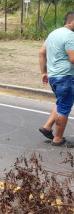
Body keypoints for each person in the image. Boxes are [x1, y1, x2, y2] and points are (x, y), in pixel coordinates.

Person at [39, 11, 74, 148]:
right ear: (70, 22)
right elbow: (73, 59)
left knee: (61, 102)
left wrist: (44, 72)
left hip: (54, 77)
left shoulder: (53, 33)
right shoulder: (71, 36)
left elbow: (41, 53)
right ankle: (58, 139)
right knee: (64, 107)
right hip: (66, 77)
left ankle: (47, 127)